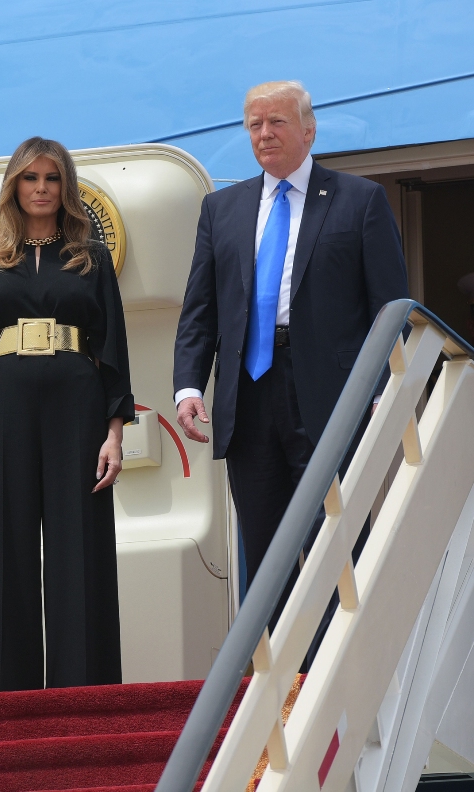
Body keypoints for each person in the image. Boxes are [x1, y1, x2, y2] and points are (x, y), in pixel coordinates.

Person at [173, 81, 409, 647]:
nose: (264, 134)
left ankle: (341, 663)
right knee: (263, 547)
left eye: (276, 122)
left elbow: (391, 306)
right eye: (254, 125)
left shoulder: (359, 200)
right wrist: (188, 386)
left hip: (329, 394)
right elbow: (201, 308)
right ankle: (278, 675)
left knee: (334, 536)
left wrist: (380, 388)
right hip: (248, 394)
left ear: (308, 130)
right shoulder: (221, 208)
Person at [0, 136, 134, 693]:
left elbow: (114, 348)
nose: (41, 189)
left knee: (80, 545)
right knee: (3, 547)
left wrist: (115, 432)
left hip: (77, 404)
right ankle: (0, 702)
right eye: (30, 178)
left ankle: (86, 697)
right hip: (2, 406)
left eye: (52, 178)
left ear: (66, 187)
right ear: (13, 187)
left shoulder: (91, 258)